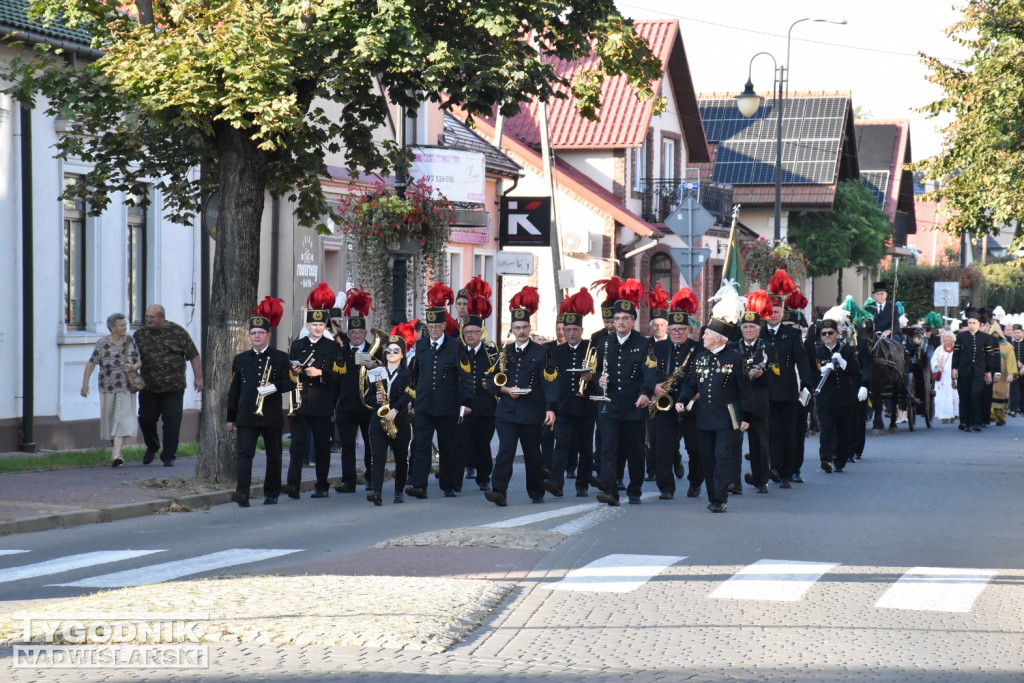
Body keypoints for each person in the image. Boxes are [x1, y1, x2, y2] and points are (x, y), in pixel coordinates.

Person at [675, 287, 750, 513]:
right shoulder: (700, 358)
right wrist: (682, 399)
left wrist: (744, 417)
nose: (703, 336)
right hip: (704, 417)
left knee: (723, 457)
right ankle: (712, 495)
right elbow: (691, 384)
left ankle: (720, 498)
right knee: (707, 459)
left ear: (718, 337)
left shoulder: (736, 358)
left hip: (728, 418)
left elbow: (744, 390)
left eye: (706, 334)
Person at [484, 286, 558, 506]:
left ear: (529, 327)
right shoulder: (503, 352)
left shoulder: (542, 352)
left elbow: (550, 382)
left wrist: (551, 408)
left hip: (532, 411)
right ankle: (499, 491)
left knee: (532, 454)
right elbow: (490, 380)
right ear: (512, 330)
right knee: (505, 452)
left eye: (525, 327)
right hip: (507, 411)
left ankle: (536, 492)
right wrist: (505, 390)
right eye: (517, 327)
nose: (521, 331)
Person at [405, 283, 473, 499]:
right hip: (424, 405)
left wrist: (466, 402)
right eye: (430, 327)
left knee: (448, 446)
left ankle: (448, 484)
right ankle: (419, 485)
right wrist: (411, 399)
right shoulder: (421, 346)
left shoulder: (455, 347)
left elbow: (465, 376)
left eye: (437, 327)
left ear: (444, 326)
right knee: (422, 446)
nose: (433, 330)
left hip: (447, 405)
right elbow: (414, 374)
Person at [593, 280, 656, 507]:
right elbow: (596, 369)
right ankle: (611, 490)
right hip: (609, 405)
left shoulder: (643, 343)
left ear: (632, 321)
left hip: (634, 406)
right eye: (617, 319)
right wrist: (598, 378)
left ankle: (635, 489)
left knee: (635, 451)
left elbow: (649, 371)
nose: (620, 322)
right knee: (608, 450)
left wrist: (646, 393)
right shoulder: (604, 343)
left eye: (625, 319)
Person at [226, 305, 295, 506]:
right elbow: (234, 390)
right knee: (244, 454)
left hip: (271, 414)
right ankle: (242, 493)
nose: (257, 336)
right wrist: (231, 417)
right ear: (249, 336)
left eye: (260, 333)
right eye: (253, 333)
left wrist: (273, 387)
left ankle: (272, 492)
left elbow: (290, 382)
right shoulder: (241, 359)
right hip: (247, 414)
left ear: (268, 335)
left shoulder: (280, 357)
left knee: (274, 455)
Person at [283, 283, 340, 498]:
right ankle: (293, 486)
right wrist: (295, 371)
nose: (317, 328)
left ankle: (322, 486)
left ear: (325, 325)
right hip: (301, 402)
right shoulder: (298, 345)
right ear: (307, 325)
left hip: (322, 403)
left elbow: (338, 376)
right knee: (296, 447)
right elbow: (290, 369)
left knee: (321, 448)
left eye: (320, 324)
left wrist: (320, 374)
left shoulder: (332, 347)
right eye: (313, 324)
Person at [544, 289, 598, 498]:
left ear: (581, 330)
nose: (572, 333)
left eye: (575, 329)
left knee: (585, 447)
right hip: (564, 406)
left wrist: (591, 378)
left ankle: (582, 484)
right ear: (563, 332)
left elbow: (600, 372)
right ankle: (557, 482)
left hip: (585, 406)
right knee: (562, 444)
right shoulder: (555, 352)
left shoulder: (590, 348)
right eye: (568, 330)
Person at [134, 304, 203, 466]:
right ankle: (152, 445)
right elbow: (131, 357)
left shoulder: (177, 332)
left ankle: (168, 456)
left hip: (174, 387)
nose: (148, 320)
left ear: (162, 317)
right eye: (147, 316)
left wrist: (198, 378)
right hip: (148, 387)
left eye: (152, 317)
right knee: (145, 419)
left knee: (172, 421)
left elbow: (193, 355)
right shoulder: (140, 335)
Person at [760, 273, 812, 488]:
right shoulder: (760, 334)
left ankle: (787, 473)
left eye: (777, 311)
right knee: (770, 432)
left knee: (788, 433)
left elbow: (802, 362)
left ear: (782, 313)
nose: (773, 315)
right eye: (770, 312)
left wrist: (806, 386)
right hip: (765, 392)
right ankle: (773, 466)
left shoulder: (791, 335)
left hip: (789, 392)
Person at [81, 313, 142, 467]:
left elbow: (139, 360)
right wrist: (85, 384)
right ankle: (118, 452)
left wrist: (134, 367)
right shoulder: (102, 343)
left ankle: (115, 454)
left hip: (126, 386)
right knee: (111, 421)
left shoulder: (130, 340)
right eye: (121, 325)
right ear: (113, 328)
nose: (125, 327)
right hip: (107, 386)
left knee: (122, 419)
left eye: (125, 324)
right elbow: (91, 363)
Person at [333, 287, 376, 493]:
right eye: (353, 332)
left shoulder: (374, 351)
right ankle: (349, 481)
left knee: (371, 444)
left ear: (365, 333)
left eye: (360, 332)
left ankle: (371, 478)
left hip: (368, 406)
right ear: (348, 334)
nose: (356, 335)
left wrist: (374, 366)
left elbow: (382, 378)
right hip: (346, 405)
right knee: (347, 446)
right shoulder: (340, 353)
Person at [365, 329, 414, 505]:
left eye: (395, 351)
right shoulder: (377, 372)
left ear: (402, 355)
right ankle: (377, 492)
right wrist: (374, 398)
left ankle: (398, 492)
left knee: (401, 457)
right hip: (379, 420)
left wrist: (396, 409)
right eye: (388, 351)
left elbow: (409, 395)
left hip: (400, 420)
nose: (391, 354)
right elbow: (367, 397)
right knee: (377, 457)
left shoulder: (408, 374)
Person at [731, 297, 774, 493]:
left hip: (758, 401)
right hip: (737, 403)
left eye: (752, 327)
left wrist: (762, 374)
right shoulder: (733, 348)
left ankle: (761, 479)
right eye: (745, 327)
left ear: (759, 328)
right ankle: (734, 482)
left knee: (760, 444)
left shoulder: (768, 348)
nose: (748, 330)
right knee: (733, 442)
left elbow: (776, 377)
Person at [458, 296, 498, 492]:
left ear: (481, 332)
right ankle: (456, 478)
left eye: (474, 332)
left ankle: (484, 478)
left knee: (483, 444)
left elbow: (501, 375)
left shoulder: (491, 352)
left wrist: (490, 383)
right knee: (461, 443)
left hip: (485, 406)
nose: (470, 335)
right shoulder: (458, 351)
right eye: (467, 332)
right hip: (463, 407)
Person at [811, 315, 860, 473]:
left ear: (836, 334)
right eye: (823, 333)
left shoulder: (846, 349)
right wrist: (821, 371)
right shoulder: (817, 352)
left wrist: (843, 363)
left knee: (843, 430)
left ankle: (840, 461)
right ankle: (825, 459)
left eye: (830, 333)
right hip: (825, 398)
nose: (827, 336)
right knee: (826, 429)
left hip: (844, 397)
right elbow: (811, 374)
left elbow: (856, 370)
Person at [952, 308, 999, 432]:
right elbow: (956, 354)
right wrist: (954, 368)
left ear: (979, 324)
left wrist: (989, 371)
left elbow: (989, 356)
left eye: (974, 323)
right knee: (965, 396)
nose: (971, 325)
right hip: (964, 370)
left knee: (976, 395)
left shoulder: (986, 338)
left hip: (979, 371)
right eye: (970, 323)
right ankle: (965, 422)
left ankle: (976, 422)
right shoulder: (961, 337)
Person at [989, 323, 1018, 426]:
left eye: (997, 334)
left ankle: (1000, 418)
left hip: (1003, 377)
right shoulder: (986, 345)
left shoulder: (1008, 347)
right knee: (990, 394)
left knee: (1000, 397)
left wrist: (1011, 374)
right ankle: (990, 415)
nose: (995, 336)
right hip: (990, 375)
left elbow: (1011, 362)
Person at [931, 330, 959, 424]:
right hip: (942, 376)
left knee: (955, 396)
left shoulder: (956, 349)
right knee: (942, 396)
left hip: (953, 376)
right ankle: (944, 415)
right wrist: (937, 366)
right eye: (944, 337)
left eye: (948, 337)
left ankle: (953, 414)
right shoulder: (939, 349)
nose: (945, 339)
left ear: (952, 339)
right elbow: (933, 360)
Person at [1010, 324, 1024, 417]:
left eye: (1018, 332)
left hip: (1023, 369)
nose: (1017, 334)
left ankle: (1022, 408)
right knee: (1014, 388)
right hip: (1014, 370)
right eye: (1015, 333)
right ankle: (1013, 408)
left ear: (1022, 333)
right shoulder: (1011, 344)